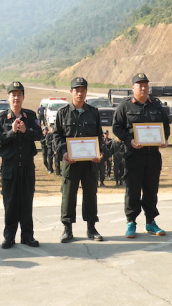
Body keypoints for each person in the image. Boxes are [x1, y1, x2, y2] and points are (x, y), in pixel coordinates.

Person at [112, 73, 170, 238]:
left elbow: (165, 126)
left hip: (153, 156)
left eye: (145, 85)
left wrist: (164, 139)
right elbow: (117, 127)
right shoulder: (125, 106)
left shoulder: (156, 105)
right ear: (133, 88)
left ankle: (150, 222)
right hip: (133, 155)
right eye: (139, 85)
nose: (143, 88)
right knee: (133, 190)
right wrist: (129, 140)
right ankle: (131, 222)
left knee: (151, 190)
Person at [53, 77, 104, 243]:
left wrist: (99, 152)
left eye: (82, 90)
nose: (80, 93)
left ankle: (91, 228)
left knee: (90, 194)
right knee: (68, 195)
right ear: (71, 92)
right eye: (77, 90)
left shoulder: (93, 112)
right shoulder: (63, 113)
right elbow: (57, 135)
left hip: (90, 162)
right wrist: (63, 152)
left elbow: (99, 135)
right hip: (71, 162)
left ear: (86, 92)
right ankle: (67, 229)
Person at [0, 81, 42, 249]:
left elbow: (39, 135)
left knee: (26, 201)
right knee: (10, 202)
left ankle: (28, 236)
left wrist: (25, 131)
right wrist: (12, 132)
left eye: (19, 94)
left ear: (23, 97)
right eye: (13, 95)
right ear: (8, 97)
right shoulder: (1, 118)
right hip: (10, 167)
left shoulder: (31, 116)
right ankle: (9, 236)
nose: (16, 98)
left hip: (27, 166)